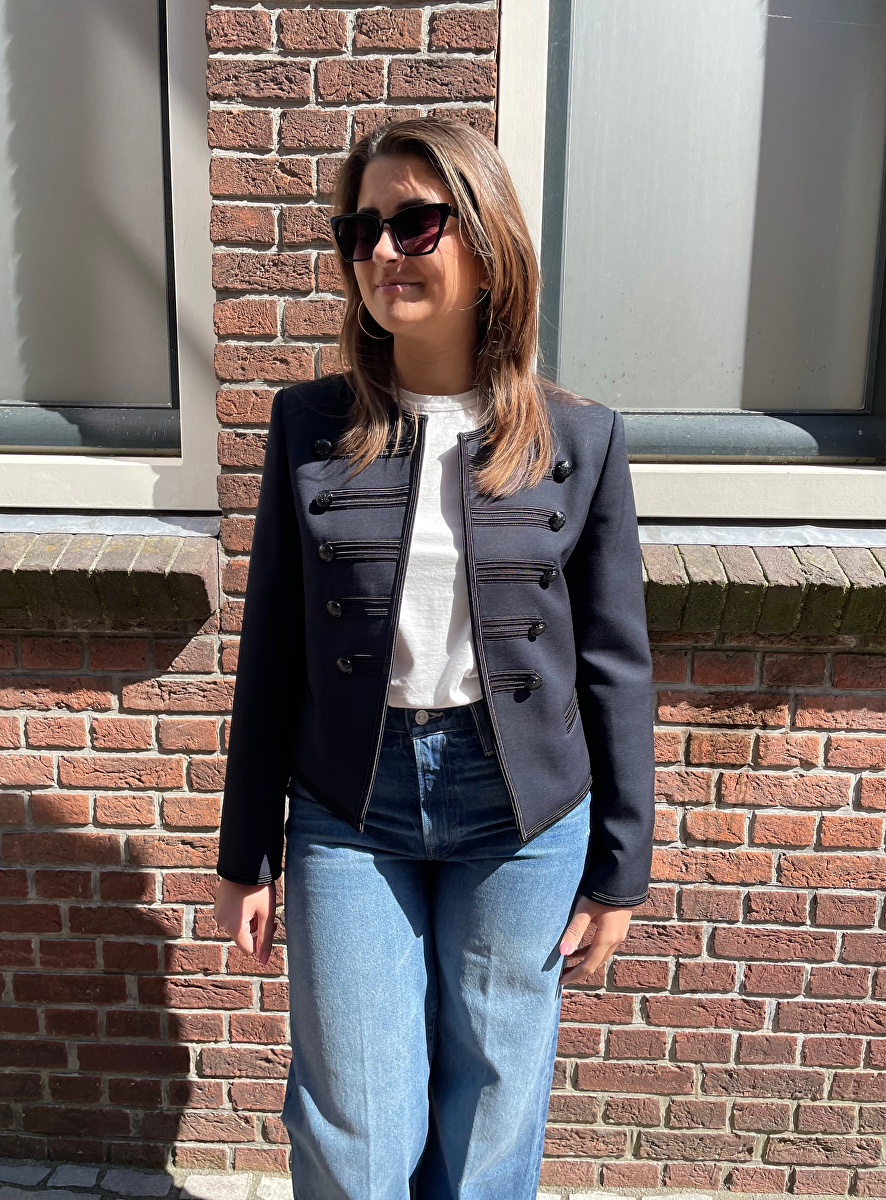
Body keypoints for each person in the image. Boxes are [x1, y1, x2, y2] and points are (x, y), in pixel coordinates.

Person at [213, 116, 655, 1200]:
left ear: (487, 246)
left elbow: (613, 661)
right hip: (347, 806)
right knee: (357, 1123)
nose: (381, 251)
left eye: (415, 224)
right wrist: (245, 852)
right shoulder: (309, 425)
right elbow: (272, 646)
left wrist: (621, 867)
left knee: (493, 1112)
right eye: (359, 229)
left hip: (524, 814)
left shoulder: (577, 438)